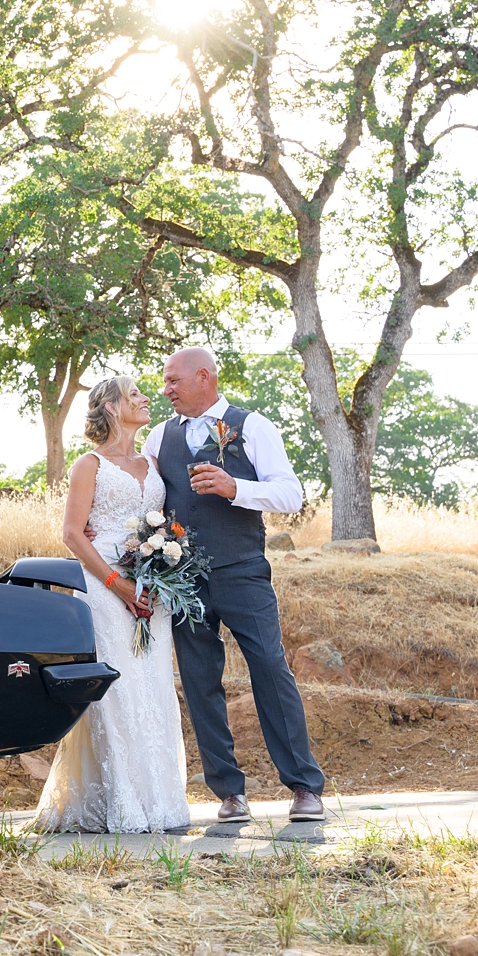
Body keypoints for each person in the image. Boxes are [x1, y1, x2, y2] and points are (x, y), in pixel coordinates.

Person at [142, 347, 325, 823]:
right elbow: (146, 500)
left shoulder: (254, 426)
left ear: (203, 377)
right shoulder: (160, 437)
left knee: (270, 667)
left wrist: (235, 489)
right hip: (182, 579)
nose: (166, 391)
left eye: (173, 381)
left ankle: (305, 787)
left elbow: (290, 492)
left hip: (243, 570)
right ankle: (228, 793)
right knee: (201, 683)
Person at [34, 376, 191, 833]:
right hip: (104, 585)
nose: (146, 399)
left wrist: (163, 573)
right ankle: (121, 803)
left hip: (152, 586)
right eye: (135, 394)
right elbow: (70, 534)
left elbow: (165, 523)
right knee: (119, 691)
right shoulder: (90, 465)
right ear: (109, 407)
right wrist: (116, 583)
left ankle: (160, 803)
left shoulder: (153, 461)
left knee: (154, 688)